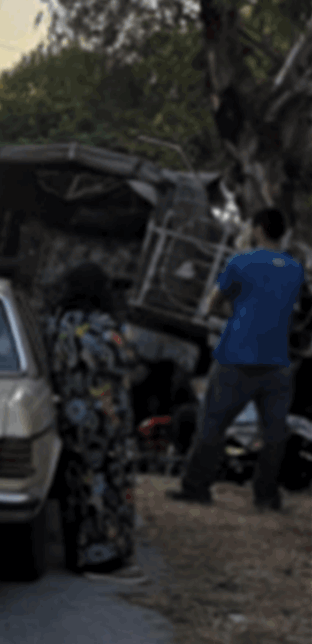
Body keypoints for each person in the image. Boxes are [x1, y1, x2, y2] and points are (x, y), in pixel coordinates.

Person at [170, 207, 305, 512]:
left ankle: (196, 488)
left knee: (212, 424)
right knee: (274, 433)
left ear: (257, 229)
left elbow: (212, 303)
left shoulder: (241, 261)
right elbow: (292, 313)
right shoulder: (296, 269)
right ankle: (266, 497)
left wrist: (233, 312)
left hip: (237, 355)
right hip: (277, 361)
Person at [46, 262, 142, 578]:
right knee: (107, 488)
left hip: (72, 418)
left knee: (80, 486)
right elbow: (129, 358)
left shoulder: (57, 323)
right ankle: (103, 559)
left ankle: (78, 553)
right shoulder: (105, 327)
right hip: (105, 421)